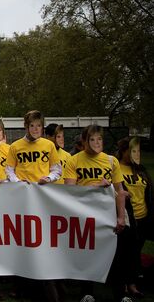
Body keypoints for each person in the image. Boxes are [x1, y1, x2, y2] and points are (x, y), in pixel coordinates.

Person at [63, 125, 127, 302]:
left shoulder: (111, 161)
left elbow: (120, 191)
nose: (96, 143)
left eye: (99, 139)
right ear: (84, 141)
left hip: (109, 212)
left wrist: (121, 216)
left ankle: (121, 294)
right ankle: (87, 292)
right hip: (86, 212)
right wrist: (96, 185)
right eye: (92, 139)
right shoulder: (74, 160)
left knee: (115, 254)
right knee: (87, 252)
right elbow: (70, 190)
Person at [116, 137, 151, 297]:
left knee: (136, 253)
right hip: (127, 218)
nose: (136, 154)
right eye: (132, 150)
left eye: (137, 151)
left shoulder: (141, 169)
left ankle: (132, 284)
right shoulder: (115, 167)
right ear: (123, 151)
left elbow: (148, 191)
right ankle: (122, 285)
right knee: (123, 253)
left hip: (143, 218)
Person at [5, 110, 61, 185]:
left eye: (39, 125)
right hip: (23, 190)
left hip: (42, 190)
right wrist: (18, 182)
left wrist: (48, 178)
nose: (36, 129)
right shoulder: (14, 146)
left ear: (42, 127)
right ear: (25, 126)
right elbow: (9, 170)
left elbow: (57, 170)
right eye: (32, 125)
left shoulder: (49, 145)